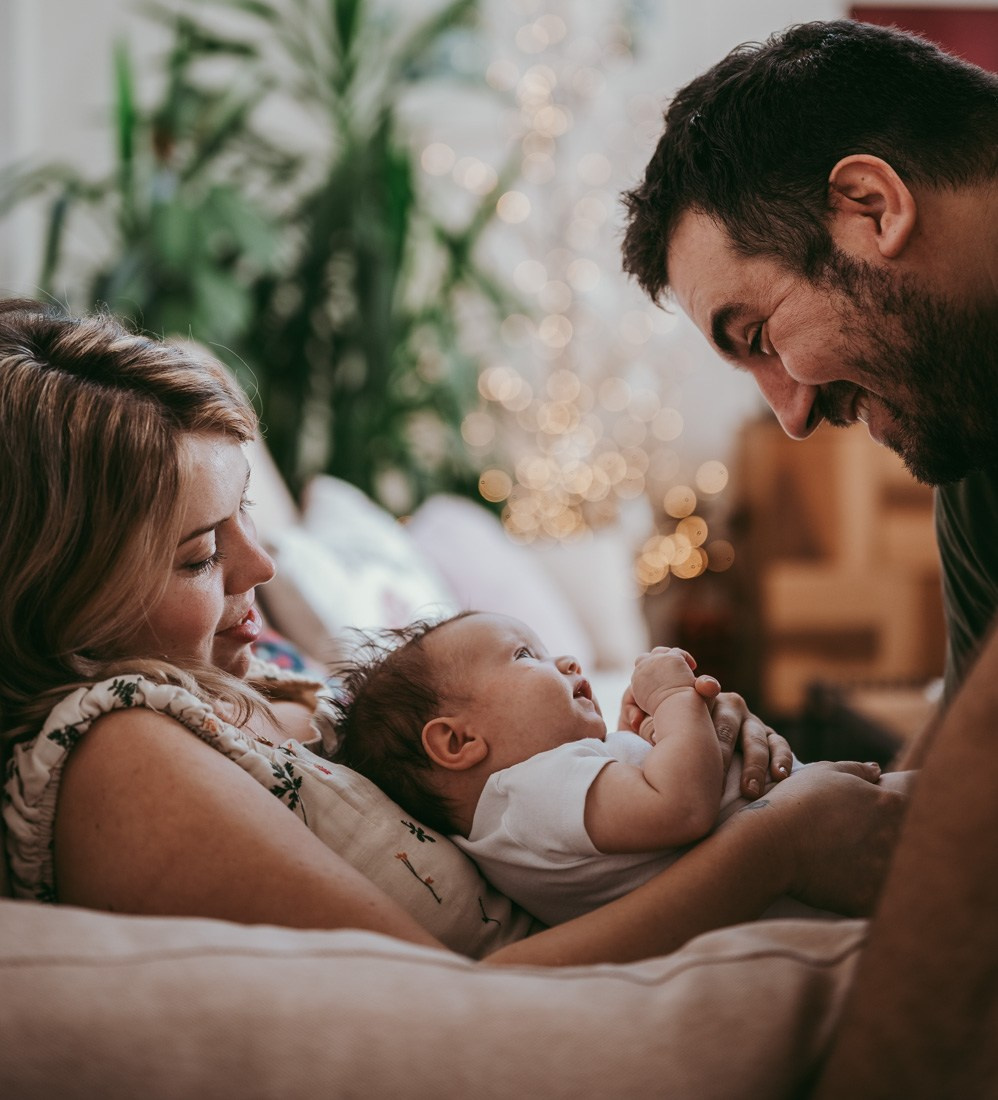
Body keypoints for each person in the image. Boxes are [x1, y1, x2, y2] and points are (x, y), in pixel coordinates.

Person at [0, 296, 900, 971]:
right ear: (61, 592)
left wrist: (652, 743)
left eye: (244, 516)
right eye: (199, 555)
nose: (263, 569)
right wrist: (775, 840)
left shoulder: (246, 683)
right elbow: (443, 1006)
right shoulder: (118, 753)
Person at [621, 16, 998, 1092]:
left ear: (869, 206)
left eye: (755, 337)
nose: (786, 414)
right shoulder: (976, 461)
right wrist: (791, 828)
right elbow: (956, 814)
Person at [331, 611, 885, 926]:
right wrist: (670, 697)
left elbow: (639, 794)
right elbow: (681, 806)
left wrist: (631, 738)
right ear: (458, 741)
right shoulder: (522, 795)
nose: (567, 661)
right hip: (842, 868)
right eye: (526, 656)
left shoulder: (537, 798)